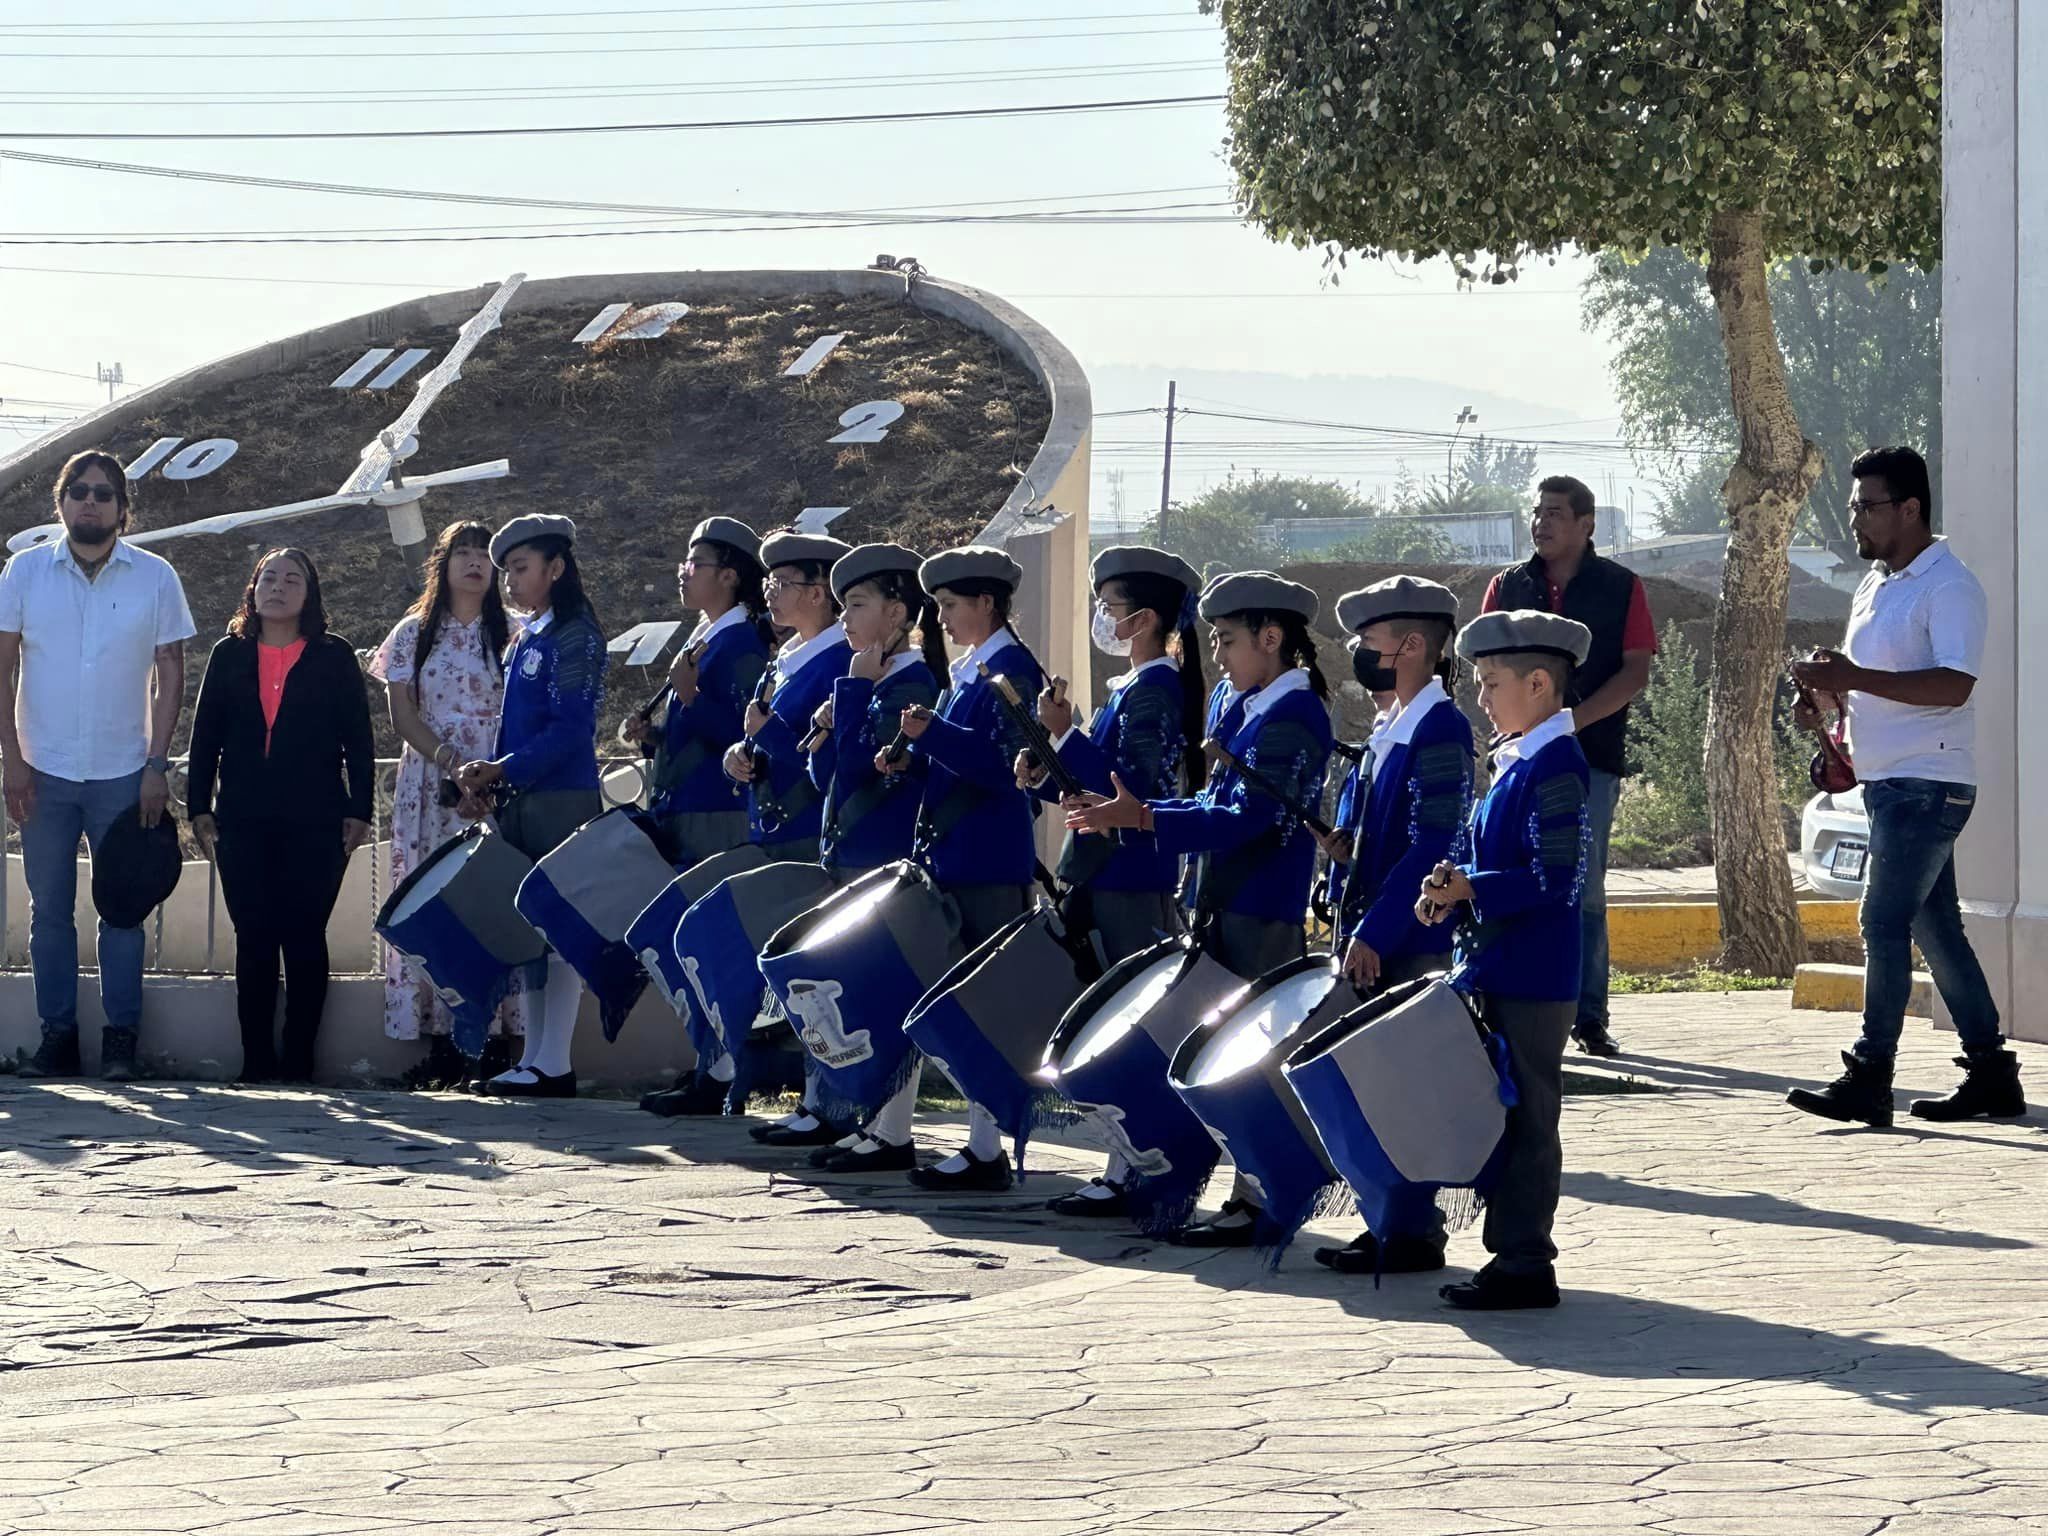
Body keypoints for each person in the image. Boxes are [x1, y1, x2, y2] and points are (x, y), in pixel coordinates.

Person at [1067, 572, 1335, 1246]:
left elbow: (1247, 817)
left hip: (1263, 907)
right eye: (1213, 638)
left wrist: (1145, 816)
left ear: (1271, 639)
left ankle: (1260, 1198)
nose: (1216, 654)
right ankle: (1211, 1182)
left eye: (1229, 640)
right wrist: (1140, 815)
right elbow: (1210, 803)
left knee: (1253, 1058)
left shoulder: (1296, 713)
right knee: (1212, 1051)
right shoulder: (1232, 700)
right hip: (1216, 901)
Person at [1787, 446, 2022, 1126]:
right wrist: (1828, 702)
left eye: (1867, 505)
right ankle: (1991, 1077)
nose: (1855, 518)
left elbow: (1954, 685)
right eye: (1855, 504)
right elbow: (1874, 681)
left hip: (1930, 784)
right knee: (1937, 930)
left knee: (1880, 922)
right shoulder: (1877, 584)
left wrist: (1852, 679)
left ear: (1910, 508)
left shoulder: (1949, 586)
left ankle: (1870, 1075)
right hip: (1889, 783)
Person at [1020, 544, 1207, 1219]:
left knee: (1132, 1024)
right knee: (1111, 1019)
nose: (1105, 619)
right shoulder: (1134, 686)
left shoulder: (1157, 687)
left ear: (1147, 620)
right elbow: (1091, 792)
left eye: (1113, 609)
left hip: (1130, 875)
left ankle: (1142, 1162)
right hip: (1103, 872)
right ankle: (1123, 1160)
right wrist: (1047, 765)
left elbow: (1134, 790)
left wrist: (1067, 738)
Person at [1416, 609, 1593, 1311]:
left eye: (1491, 684)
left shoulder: (1556, 766)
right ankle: (1510, 1253)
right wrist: (1448, 888)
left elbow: (1556, 880)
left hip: (1534, 976)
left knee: (1529, 1120)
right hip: (1498, 967)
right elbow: (1481, 853)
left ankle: (1525, 1261)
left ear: (1541, 684)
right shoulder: (1518, 757)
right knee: (1504, 1117)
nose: (1481, 699)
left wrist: (1473, 889)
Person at [1, 451, 196, 1083]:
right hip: (43, 768)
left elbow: (171, 673)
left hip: (123, 770)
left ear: (122, 507)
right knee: (49, 911)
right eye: (79, 491)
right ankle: (56, 1036)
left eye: (104, 493)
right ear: (60, 502)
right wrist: (11, 760)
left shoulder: (155, 576)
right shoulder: (24, 573)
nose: (91, 501)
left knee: (123, 909)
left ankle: (121, 1040)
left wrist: (156, 765)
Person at [747, 542, 947, 1153]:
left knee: (883, 992)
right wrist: (836, 717)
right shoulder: (869, 679)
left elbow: (865, 771)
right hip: (847, 851)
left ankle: (890, 1129)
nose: (846, 618)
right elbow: (823, 775)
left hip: (882, 856)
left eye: (858, 604)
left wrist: (853, 698)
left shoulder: (912, 684)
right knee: (836, 988)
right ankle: (836, 1105)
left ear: (896, 614)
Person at [859, 545, 1045, 1188]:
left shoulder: (1013, 671)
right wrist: (912, 760)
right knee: (958, 1001)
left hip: (989, 858)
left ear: (986, 605)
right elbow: (957, 762)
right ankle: (980, 1141)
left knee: (986, 1004)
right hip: (953, 854)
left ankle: (988, 1146)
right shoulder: (971, 671)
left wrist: (930, 736)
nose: (940, 618)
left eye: (950, 605)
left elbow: (1005, 768)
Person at [1310, 576, 1478, 1277]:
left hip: (1408, 938)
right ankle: (1390, 1219)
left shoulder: (1439, 728)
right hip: (1376, 928)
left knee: (1401, 1085)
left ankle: (1411, 1228)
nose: (1359, 654)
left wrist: (1377, 930)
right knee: (1377, 1082)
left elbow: (1433, 840)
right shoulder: (1393, 724)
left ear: (1412, 646)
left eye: (1369, 642)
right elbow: (1384, 833)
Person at [187, 549, 375, 1083]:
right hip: (242, 817)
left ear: (309, 594)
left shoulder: (333, 656)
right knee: (254, 934)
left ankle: (298, 1060)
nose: (279, 586)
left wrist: (360, 809)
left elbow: (358, 740)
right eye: (269, 577)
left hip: (315, 816)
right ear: (252, 588)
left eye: (293, 579)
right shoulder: (229, 654)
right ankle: (256, 1061)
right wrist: (199, 807)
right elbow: (205, 738)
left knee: (303, 933)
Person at [1482, 475, 1655, 1057]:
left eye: (1555, 513)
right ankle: (1506, 993)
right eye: (1537, 513)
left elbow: (1635, 670)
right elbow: (1485, 667)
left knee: (1583, 887)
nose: (1542, 523)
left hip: (1592, 757)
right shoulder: (1506, 585)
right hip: (1515, 761)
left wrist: (1570, 724)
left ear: (1587, 525)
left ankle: (1588, 1014)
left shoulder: (1621, 586)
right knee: (1505, 872)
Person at [369, 520, 530, 1088]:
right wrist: (448, 762)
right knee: (435, 905)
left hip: (497, 781)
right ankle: (444, 1044)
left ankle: (500, 1044)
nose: (474, 563)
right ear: (442, 564)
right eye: (461, 552)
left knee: (493, 902)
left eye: (484, 554)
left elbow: (525, 712)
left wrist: (486, 777)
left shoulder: (516, 632)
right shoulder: (414, 632)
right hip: (431, 784)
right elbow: (402, 712)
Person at [456, 514, 607, 1097]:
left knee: (559, 931)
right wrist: (491, 783)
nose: (510, 582)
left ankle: (554, 1059)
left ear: (556, 568)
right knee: (533, 934)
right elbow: (511, 727)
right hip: (524, 797)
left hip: (562, 800)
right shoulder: (530, 634)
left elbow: (571, 730)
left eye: (520, 569)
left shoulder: (576, 635)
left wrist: (503, 770)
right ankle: (538, 1059)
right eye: (507, 571)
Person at [635, 517, 773, 868]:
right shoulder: (706, 637)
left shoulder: (742, 643)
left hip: (716, 814)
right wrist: (652, 736)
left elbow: (745, 735)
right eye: (685, 563)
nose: (683, 572)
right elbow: (689, 732)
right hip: (682, 808)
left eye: (695, 564)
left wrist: (691, 697)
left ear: (729, 576)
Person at [721, 530, 854, 863]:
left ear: (817, 593)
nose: (769, 594)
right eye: (769, 584)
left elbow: (838, 765)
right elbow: (758, 733)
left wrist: (769, 735)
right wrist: (737, 754)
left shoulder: (843, 662)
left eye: (782, 584)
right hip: (771, 832)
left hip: (809, 835)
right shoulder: (784, 660)